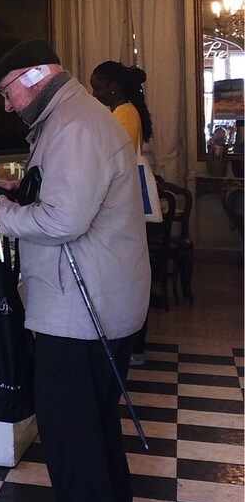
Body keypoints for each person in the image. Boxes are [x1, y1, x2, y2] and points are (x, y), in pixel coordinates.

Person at [0, 40, 149, 502]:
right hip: (91, 303)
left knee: (70, 441)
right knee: (93, 434)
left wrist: (5, 214)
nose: (8, 104)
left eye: (9, 91)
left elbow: (63, 221)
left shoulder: (74, 124)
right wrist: (26, 188)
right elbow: (68, 192)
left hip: (82, 312)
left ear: (35, 77)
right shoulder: (69, 116)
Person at [90, 61, 154, 366]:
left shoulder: (124, 113)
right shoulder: (119, 111)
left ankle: (134, 345)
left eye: (98, 87)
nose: (95, 92)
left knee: (127, 270)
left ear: (113, 87)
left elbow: (119, 156)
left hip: (127, 194)